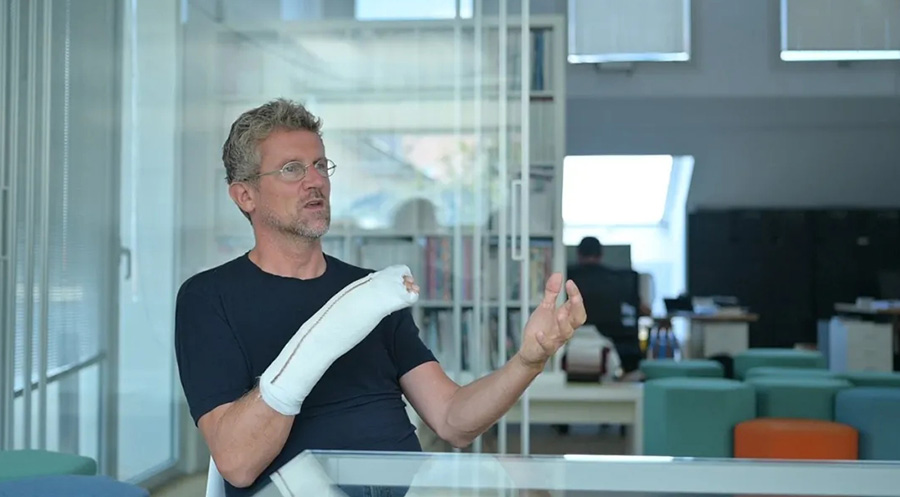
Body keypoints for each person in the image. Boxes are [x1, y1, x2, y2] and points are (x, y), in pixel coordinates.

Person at [173, 98, 586, 497]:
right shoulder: (209, 298)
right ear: (245, 196)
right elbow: (238, 463)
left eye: (320, 165)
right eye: (292, 169)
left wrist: (527, 361)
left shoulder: (372, 293)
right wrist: (328, 333)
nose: (315, 181)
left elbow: (452, 419)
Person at [565, 237, 645, 373]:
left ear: (578, 254)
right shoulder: (621, 280)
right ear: (601, 255)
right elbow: (636, 310)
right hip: (617, 349)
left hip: (574, 348)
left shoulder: (567, 278)